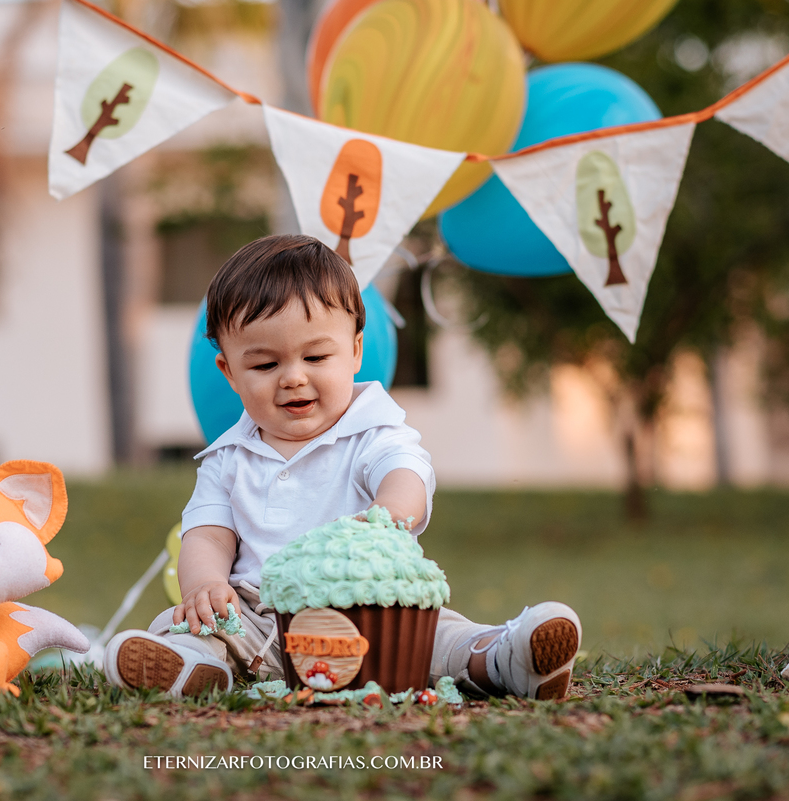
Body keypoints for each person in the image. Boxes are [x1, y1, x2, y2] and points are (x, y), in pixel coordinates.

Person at [104, 234, 581, 700]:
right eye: (265, 365)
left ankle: (503, 657)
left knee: (441, 636)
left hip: (373, 611)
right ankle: (194, 665)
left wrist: (388, 516)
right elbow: (208, 535)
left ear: (354, 351)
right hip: (261, 622)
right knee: (183, 623)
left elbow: (405, 473)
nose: (293, 377)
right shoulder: (227, 458)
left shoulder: (371, 431)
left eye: (315, 356)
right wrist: (205, 585)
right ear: (229, 372)